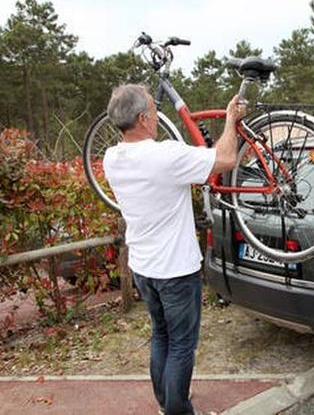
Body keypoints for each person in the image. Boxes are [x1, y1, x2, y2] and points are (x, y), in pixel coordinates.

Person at [102, 84, 244, 415]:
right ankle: (177, 410)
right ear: (142, 118)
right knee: (181, 345)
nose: (156, 115)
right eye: (153, 109)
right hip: (176, 270)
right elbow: (225, 158)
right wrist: (230, 120)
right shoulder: (164, 156)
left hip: (143, 268)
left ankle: (166, 401)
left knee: (161, 335)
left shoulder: (112, 157)